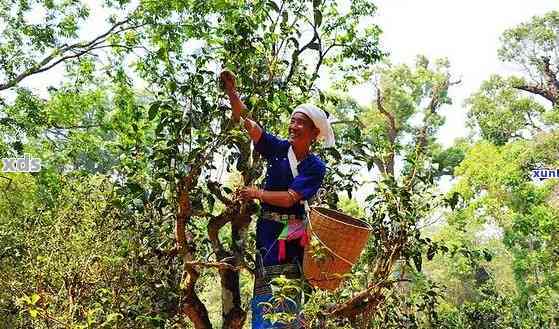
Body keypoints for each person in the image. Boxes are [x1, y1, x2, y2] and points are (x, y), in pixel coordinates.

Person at [220, 70, 334, 329]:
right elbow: (250, 124)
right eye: (292, 121)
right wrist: (232, 92)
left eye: (300, 123)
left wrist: (256, 193)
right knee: (265, 287)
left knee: (288, 286)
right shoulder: (279, 148)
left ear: (315, 132)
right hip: (268, 229)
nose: (293, 127)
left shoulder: (315, 166)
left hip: (293, 231)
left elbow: (291, 198)